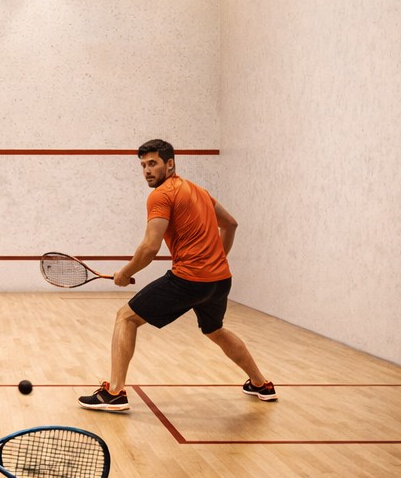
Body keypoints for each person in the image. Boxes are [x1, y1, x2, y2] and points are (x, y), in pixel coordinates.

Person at [78, 138, 277, 412]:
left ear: (170, 164)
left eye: (153, 163)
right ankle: (260, 384)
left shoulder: (161, 195)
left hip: (189, 279)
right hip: (220, 280)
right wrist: (216, 259)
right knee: (215, 330)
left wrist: (124, 273)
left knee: (126, 318)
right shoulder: (199, 191)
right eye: (143, 165)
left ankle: (114, 393)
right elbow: (230, 224)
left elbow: (150, 247)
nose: (147, 170)